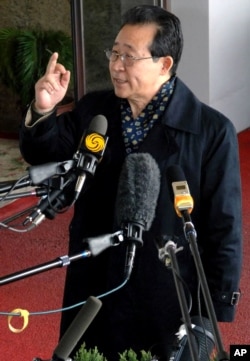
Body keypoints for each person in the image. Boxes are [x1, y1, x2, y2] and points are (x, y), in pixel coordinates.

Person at [19, 5, 242, 361]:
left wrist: (207, 317)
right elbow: (45, 155)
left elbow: (223, 229)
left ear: (164, 64)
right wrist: (44, 109)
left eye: (129, 57)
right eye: (115, 53)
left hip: (166, 295)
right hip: (92, 283)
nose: (116, 65)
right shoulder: (95, 110)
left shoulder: (211, 131)